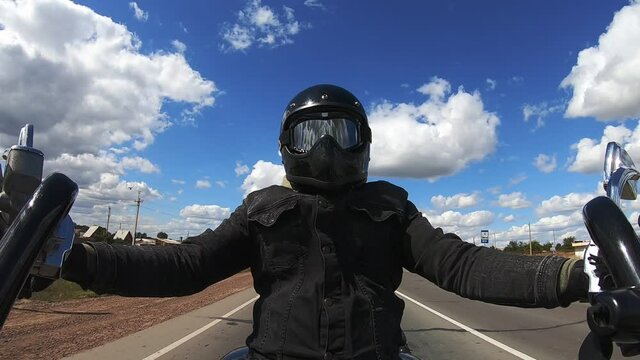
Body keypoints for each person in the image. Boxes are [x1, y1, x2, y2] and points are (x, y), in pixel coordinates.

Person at [60, 84, 587, 360]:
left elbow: (460, 263)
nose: (328, 147)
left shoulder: (391, 205)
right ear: (288, 145)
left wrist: (569, 275)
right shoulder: (260, 207)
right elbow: (184, 264)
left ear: (364, 142)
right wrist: (73, 258)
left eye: (341, 132)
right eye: (313, 134)